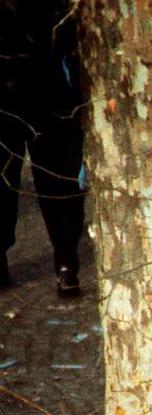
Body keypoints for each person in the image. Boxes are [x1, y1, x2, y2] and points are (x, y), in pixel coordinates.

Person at [0, 0, 85, 296]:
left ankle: (66, 259)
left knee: (59, 176)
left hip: (51, 80)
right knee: (2, 176)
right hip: (15, 81)